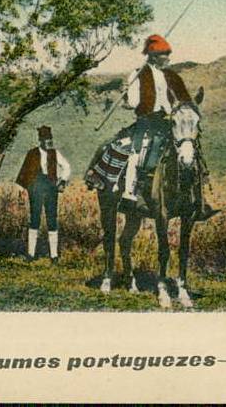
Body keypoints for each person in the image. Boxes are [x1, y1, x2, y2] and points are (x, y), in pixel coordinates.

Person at [87, 34, 193, 211]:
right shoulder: (138, 75)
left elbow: (184, 98)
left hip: (168, 123)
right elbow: (134, 103)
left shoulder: (171, 75)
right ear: (153, 56)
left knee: (188, 146)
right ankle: (130, 194)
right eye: (164, 54)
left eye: (168, 54)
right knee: (138, 152)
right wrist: (129, 96)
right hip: (147, 122)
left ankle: (194, 195)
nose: (168, 58)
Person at [15, 126, 71, 263]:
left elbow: (67, 167)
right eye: (46, 140)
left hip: (51, 187)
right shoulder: (32, 154)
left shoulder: (55, 153)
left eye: (50, 139)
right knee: (34, 219)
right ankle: (31, 254)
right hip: (35, 188)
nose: (49, 143)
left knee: (52, 220)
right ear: (40, 140)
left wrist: (62, 180)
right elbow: (24, 172)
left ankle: (54, 256)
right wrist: (21, 191)